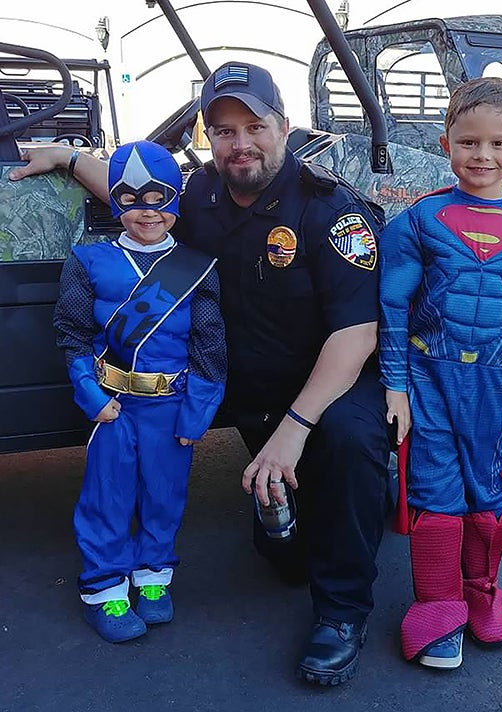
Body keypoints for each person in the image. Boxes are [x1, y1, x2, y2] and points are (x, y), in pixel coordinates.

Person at [11, 63, 391, 685]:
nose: (240, 143)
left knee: (349, 446)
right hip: (253, 388)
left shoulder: (332, 212)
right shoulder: (203, 197)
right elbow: (136, 199)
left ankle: (342, 614)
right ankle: (287, 523)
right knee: (288, 562)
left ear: (284, 128)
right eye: (223, 130)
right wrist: (67, 154)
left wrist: (295, 428)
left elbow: (356, 333)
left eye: (255, 126)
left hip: (331, 382)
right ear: (208, 140)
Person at [379, 77, 502, 670]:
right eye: (467, 142)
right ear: (445, 143)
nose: (481, 156)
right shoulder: (418, 220)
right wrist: (396, 385)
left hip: (500, 384)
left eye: (496, 143)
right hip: (431, 377)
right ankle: (437, 609)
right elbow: (391, 307)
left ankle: (481, 594)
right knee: (436, 490)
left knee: (489, 492)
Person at [52, 140, 227, 643]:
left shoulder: (199, 267)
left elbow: (210, 346)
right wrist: (91, 396)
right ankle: (105, 587)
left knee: (164, 496)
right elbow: (73, 334)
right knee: (107, 497)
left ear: (173, 199)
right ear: (115, 203)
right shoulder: (88, 261)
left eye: (157, 198)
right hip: (114, 406)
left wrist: (197, 416)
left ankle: (153, 578)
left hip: (171, 407)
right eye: (130, 200)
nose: (146, 213)